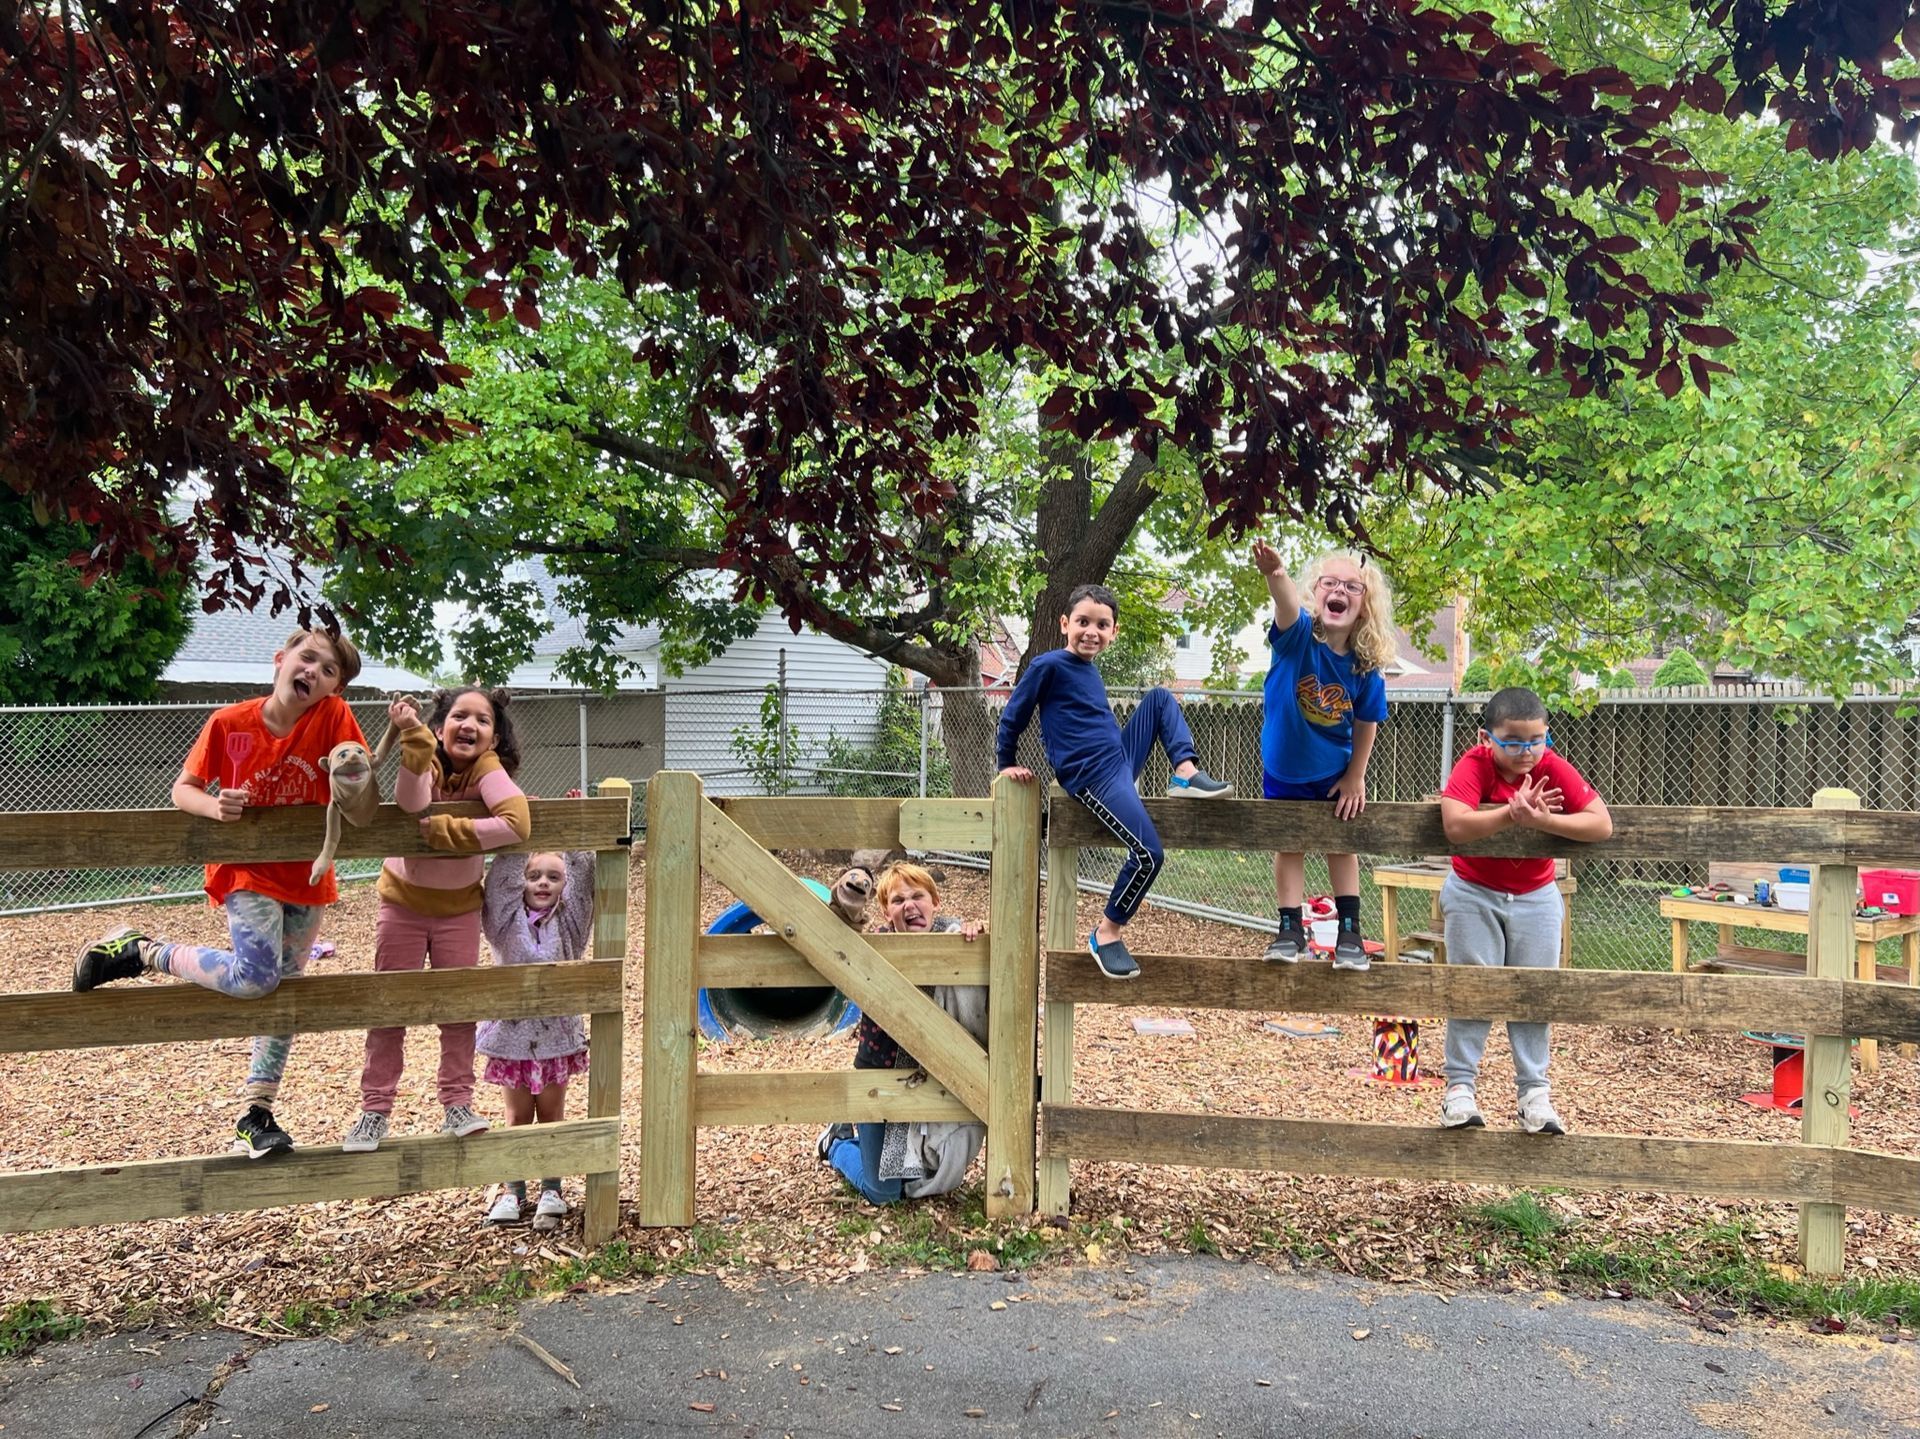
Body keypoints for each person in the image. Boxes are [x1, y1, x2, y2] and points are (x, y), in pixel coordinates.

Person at [73, 629, 375, 1159]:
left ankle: (257, 1113)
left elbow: (361, 793)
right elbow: (183, 789)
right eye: (308, 658)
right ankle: (143, 951)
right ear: (280, 659)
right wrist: (214, 807)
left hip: (306, 875)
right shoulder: (229, 722)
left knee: (286, 989)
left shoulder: (333, 718)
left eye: (329, 671)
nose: (314, 671)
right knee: (256, 977)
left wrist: (357, 776)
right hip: (245, 870)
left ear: (335, 689)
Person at [997, 583, 1232, 980]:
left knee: (1160, 697)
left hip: (1119, 761)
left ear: (1114, 631)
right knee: (1149, 854)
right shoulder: (1048, 665)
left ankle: (1186, 773)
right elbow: (1013, 716)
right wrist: (1006, 763)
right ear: (1064, 624)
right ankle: (1106, 933)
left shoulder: (1090, 671)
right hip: (1091, 776)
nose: (1091, 632)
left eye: (1102, 625)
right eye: (1083, 622)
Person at [341, 686, 531, 1152]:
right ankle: (374, 1109)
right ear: (439, 727)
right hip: (402, 907)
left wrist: (448, 831)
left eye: (482, 720)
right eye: (460, 716)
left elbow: (516, 822)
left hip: (458, 912)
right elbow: (411, 802)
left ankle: (457, 1104)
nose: (470, 725)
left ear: (494, 738)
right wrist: (414, 743)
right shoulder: (425, 756)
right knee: (390, 1008)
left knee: (457, 1010)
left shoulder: (487, 769)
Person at [1438, 686, 1612, 1135]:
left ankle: (1534, 1093)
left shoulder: (1551, 767)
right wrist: (1509, 815)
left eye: (1536, 740)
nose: (1527, 752)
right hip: (1474, 892)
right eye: (1513, 742)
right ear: (1486, 738)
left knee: (1535, 992)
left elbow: (1601, 823)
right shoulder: (1473, 765)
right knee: (1472, 987)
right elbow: (1455, 824)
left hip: (1537, 895)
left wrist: (1543, 822)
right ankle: (1460, 1088)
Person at [1251, 542, 1394, 970]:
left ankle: (1349, 931)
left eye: (1352, 587)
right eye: (1329, 583)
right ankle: (1290, 929)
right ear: (1315, 593)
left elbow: (1367, 721)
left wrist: (1356, 776)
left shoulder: (1365, 667)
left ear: (1364, 606)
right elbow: (1286, 605)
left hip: (1333, 772)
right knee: (1289, 846)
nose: (1339, 591)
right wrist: (1276, 574)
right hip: (1285, 770)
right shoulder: (1297, 639)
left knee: (1341, 843)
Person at [816, 863, 986, 1204]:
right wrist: (850, 895)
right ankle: (837, 1143)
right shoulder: (878, 944)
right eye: (898, 900)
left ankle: (873, 1151)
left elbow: (973, 940)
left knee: (912, 1177)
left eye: (918, 896)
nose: (909, 906)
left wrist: (979, 934)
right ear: (886, 911)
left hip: (930, 1080)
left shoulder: (952, 936)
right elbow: (842, 934)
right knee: (884, 1193)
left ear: (935, 902)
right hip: (879, 1079)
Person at [473, 849, 596, 1230]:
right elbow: (500, 882)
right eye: (534, 876)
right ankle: (514, 1190)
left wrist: (573, 838)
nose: (543, 882)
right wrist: (522, 838)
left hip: (556, 1035)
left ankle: (551, 1190)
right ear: (520, 883)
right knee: (517, 1116)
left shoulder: (571, 924)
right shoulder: (504, 923)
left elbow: (582, 878)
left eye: (553, 877)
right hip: (512, 1036)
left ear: (564, 886)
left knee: (552, 1115)